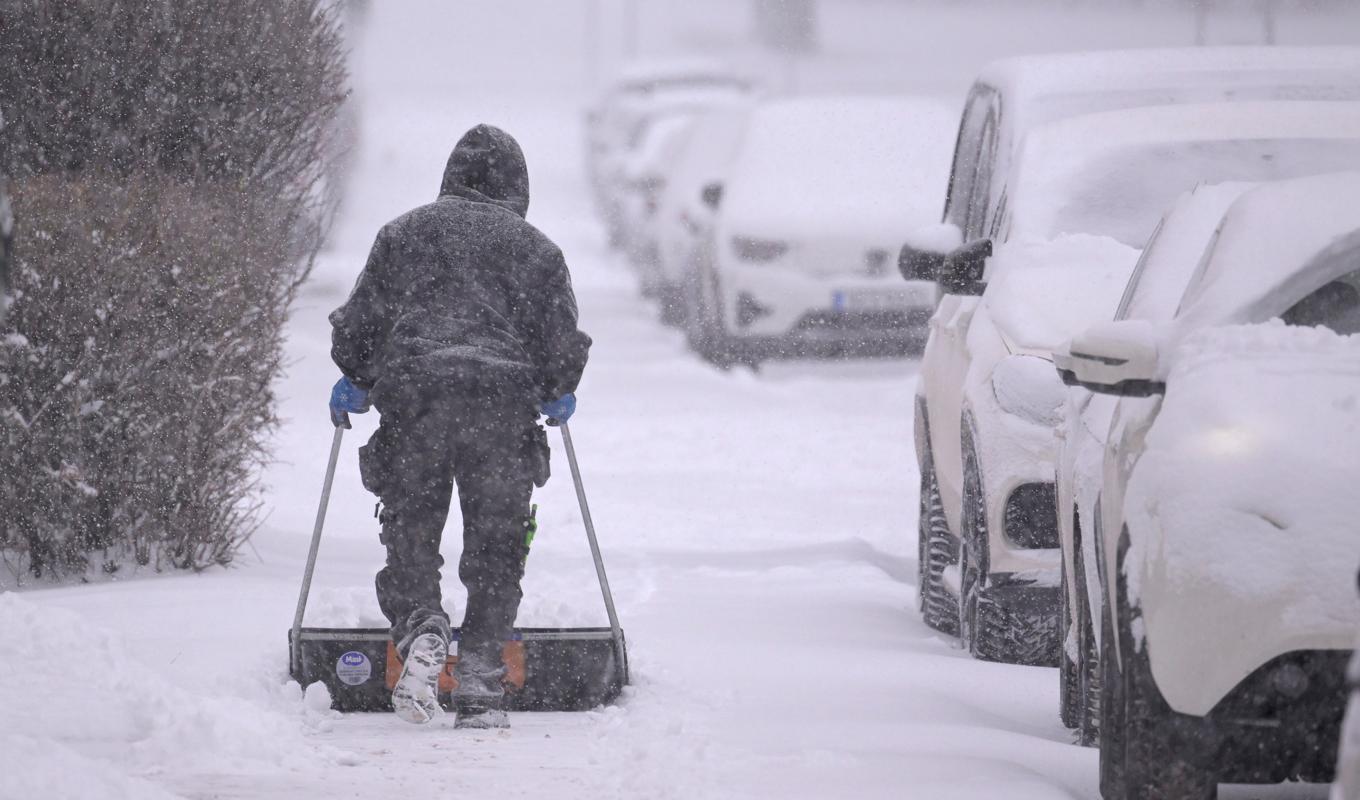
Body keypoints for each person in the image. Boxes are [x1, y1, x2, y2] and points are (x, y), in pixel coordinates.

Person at [328, 124, 591, 729]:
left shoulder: (402, 235)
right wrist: (558, 389)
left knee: (411, 532)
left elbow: (362, 324)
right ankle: (478, 677)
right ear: (517, 187)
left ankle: (422, 624)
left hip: (417, 403)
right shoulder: (538, 251)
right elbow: (559, 345)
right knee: (498, 546)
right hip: (500, 412)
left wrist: (357, 377)